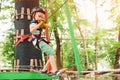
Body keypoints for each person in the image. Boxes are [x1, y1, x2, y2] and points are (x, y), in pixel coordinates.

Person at [29, 7, 60, 75]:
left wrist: (43, 24)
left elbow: (48, 26)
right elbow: (31, 30)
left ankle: (44, 70)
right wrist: (39, 25)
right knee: (51, 53)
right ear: (34, 15)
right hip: (38, 41)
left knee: (52, 54)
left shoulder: (39, 23)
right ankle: (54, 71)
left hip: (41, 41)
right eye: (39, 16)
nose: (40, 18)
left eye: (42, 17)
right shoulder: (33, 23)